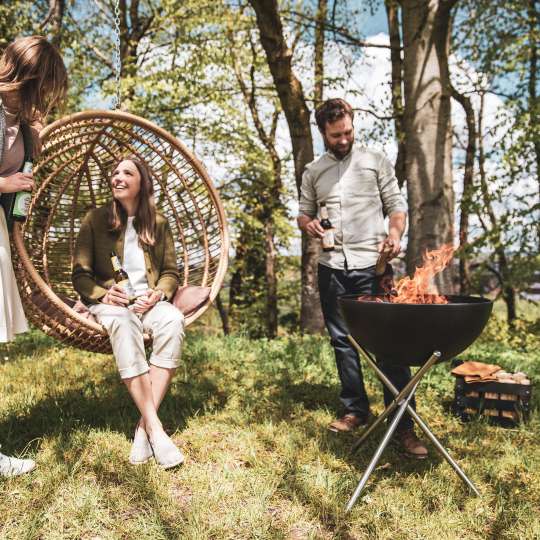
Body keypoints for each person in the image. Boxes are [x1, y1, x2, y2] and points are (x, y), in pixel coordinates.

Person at [297, 98, 428, 459]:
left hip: (375, 267)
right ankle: (355, 409)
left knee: (390, 346)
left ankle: (403, 425)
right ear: (323, 132)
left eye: (348, 132)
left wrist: (395, 235)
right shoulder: (313, 171)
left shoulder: (374, 162)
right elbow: (304, 214)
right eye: (336, 134)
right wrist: (308, 224)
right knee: (344, 342)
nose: (344, 139)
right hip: (332, 268)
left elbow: (396, 206)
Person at [72, 156, 185, 469]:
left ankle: (142, 427)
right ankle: (156, 428)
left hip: (147, 304)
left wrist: (158, 294)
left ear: (141, 182)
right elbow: (79, 274)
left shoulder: (158, 223)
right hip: (110, 305)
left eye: (127, 173)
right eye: (114, 173)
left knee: (173, 320)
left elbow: (171, 272)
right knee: (123, 322)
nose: (117, 178)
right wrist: (104, 293)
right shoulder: (95, 219)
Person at [0, 35, 67, 477]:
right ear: (30, 77)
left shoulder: (17, 118)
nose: (45, 96)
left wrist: (34, 139)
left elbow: (16, 168)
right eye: (45, 85)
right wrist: (5, 186)